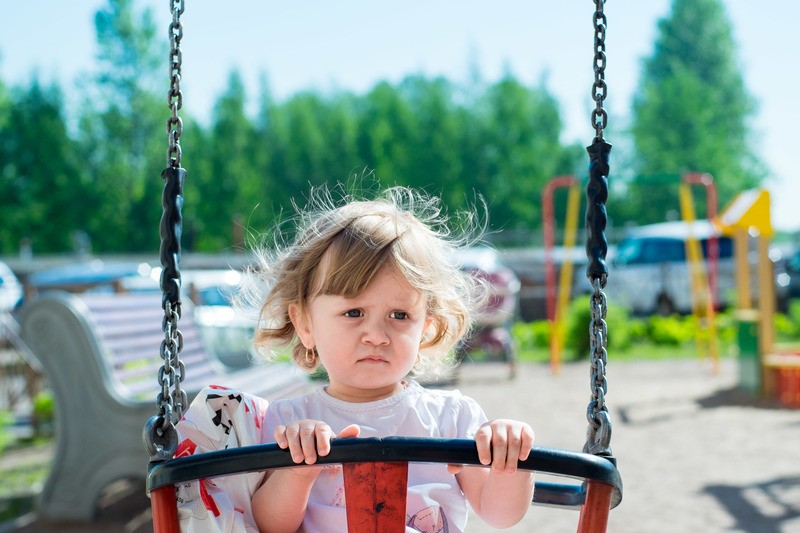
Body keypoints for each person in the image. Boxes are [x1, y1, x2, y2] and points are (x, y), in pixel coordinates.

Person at [246, 186, 535, 533]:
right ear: (305, 324)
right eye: (353, 312)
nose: (377, 335)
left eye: (399, 315)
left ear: (425, 328)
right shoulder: (288, 423)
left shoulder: (452, 419)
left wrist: (510, 460)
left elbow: (501, 514)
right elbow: (267, 526)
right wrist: (295, 472)